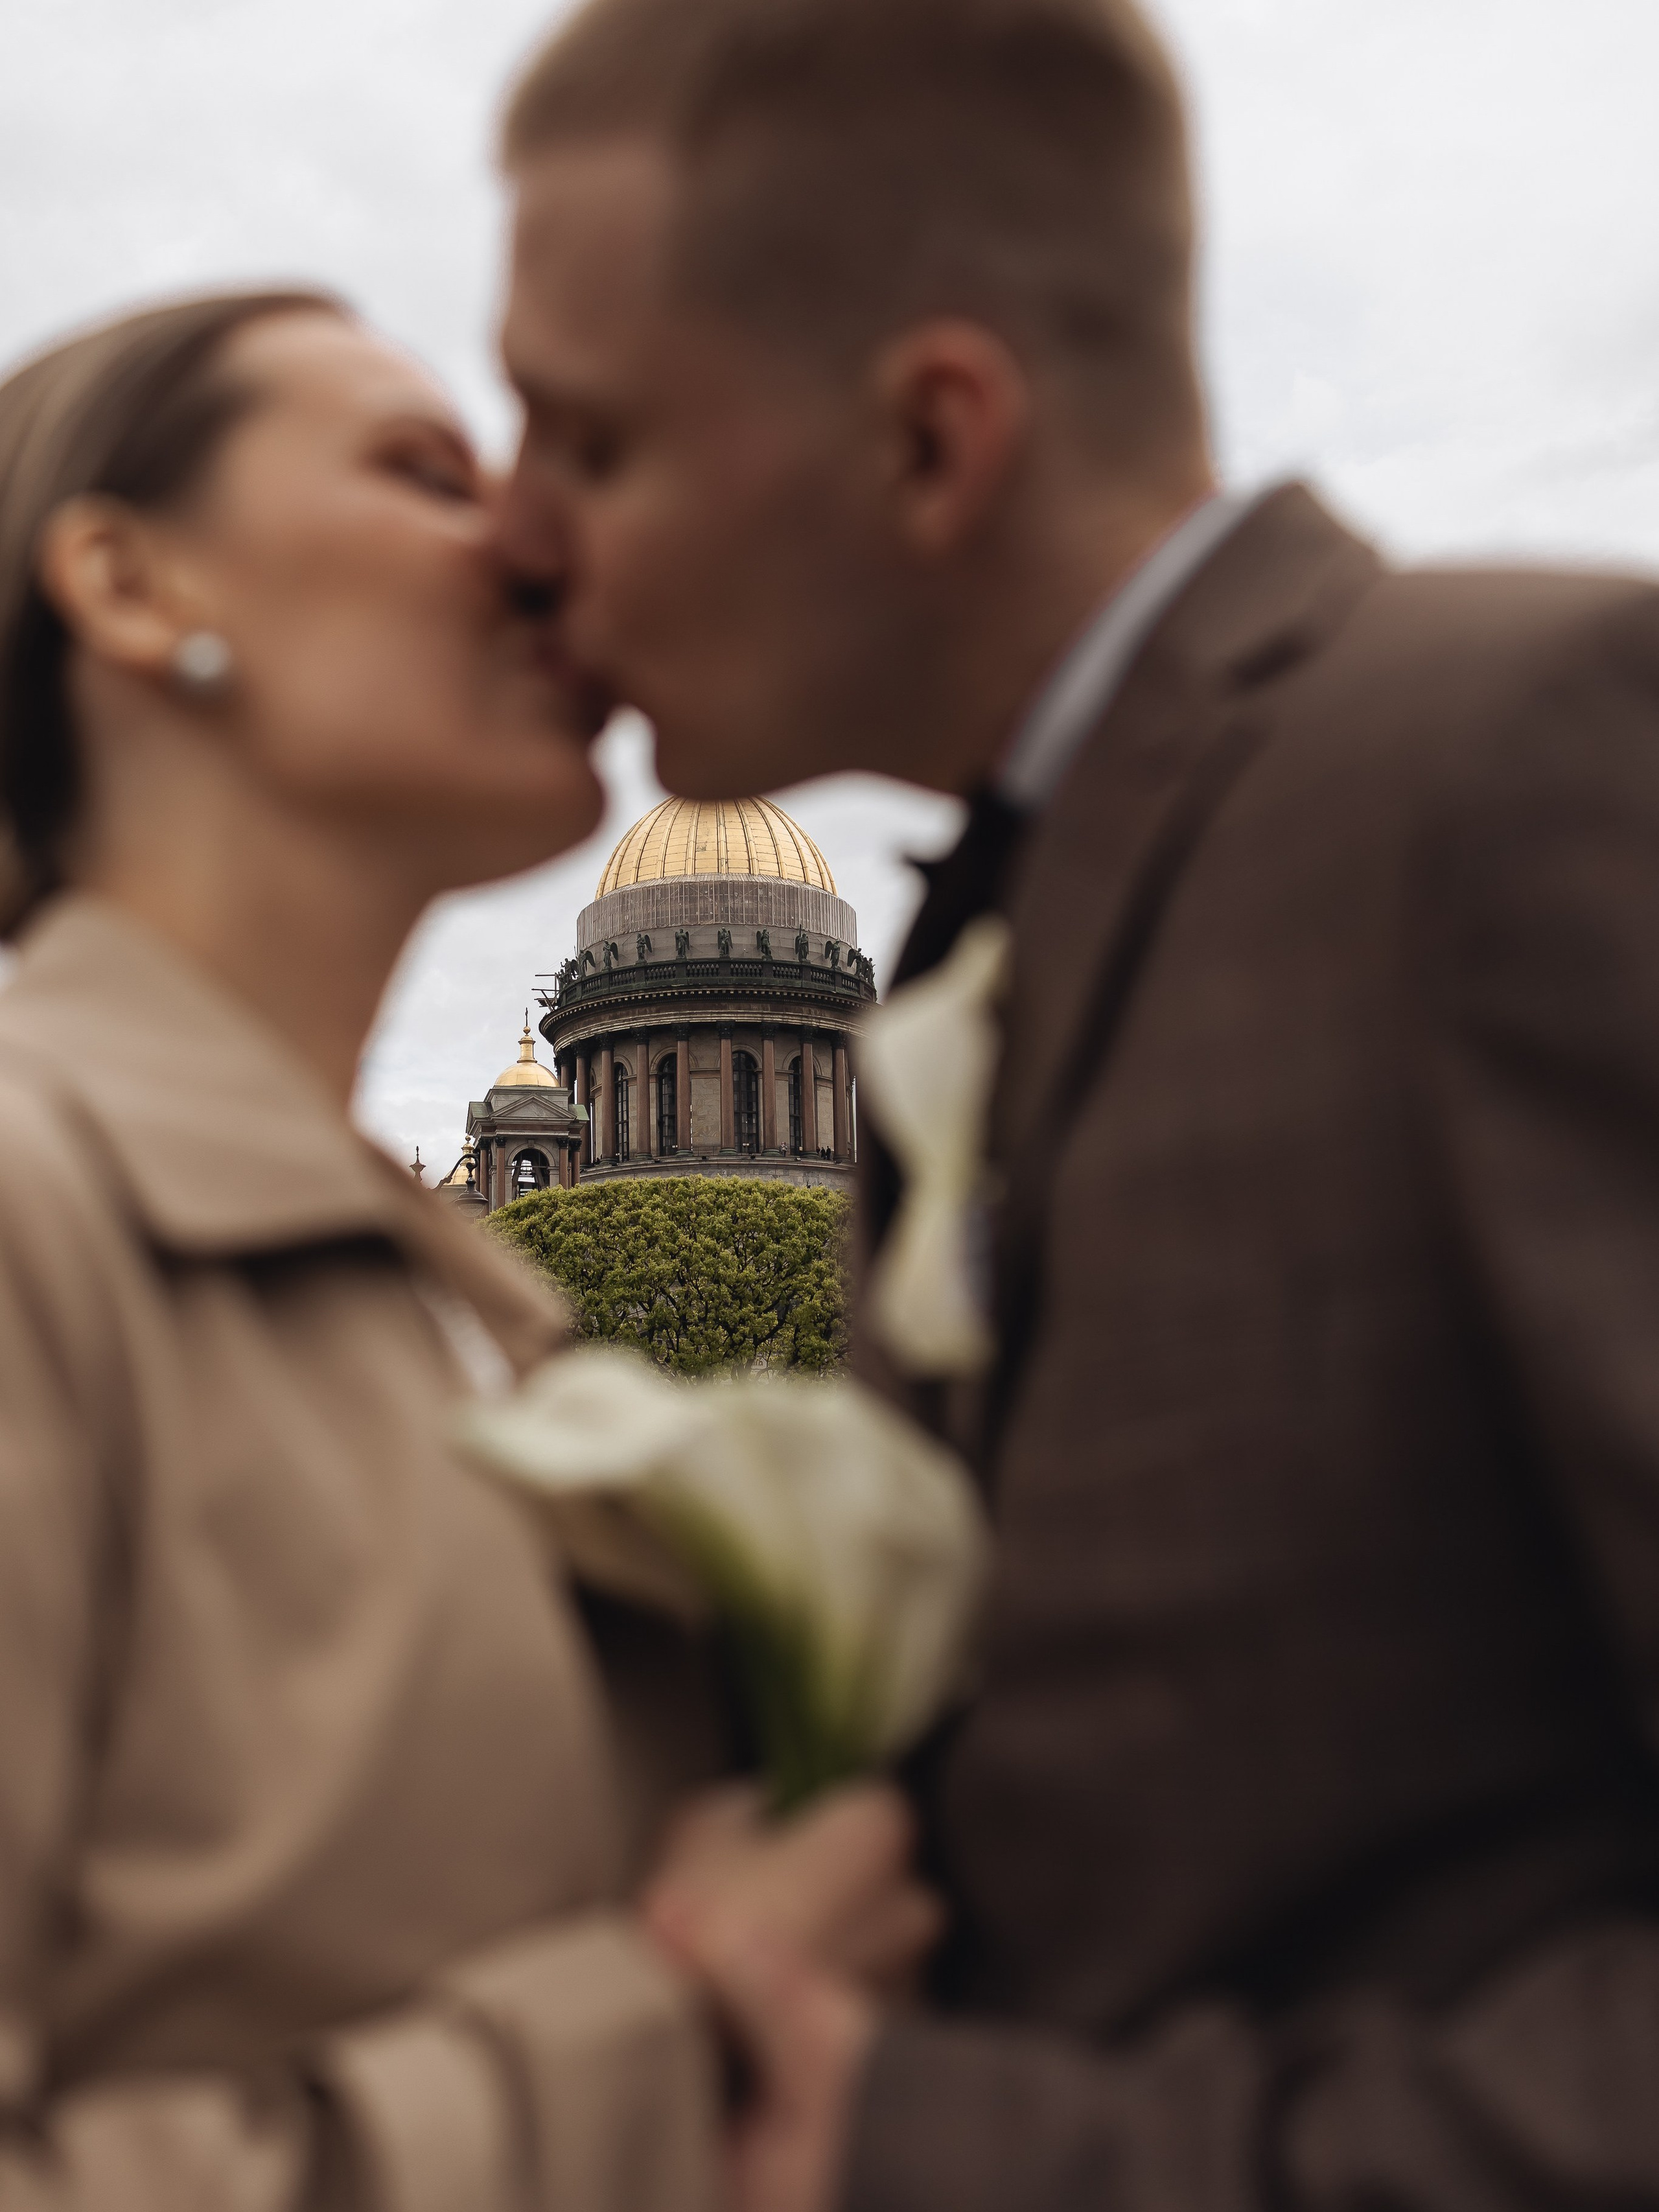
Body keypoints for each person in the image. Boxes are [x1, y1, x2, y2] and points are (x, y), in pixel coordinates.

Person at [491, 1, 1659, 2209]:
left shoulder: (1528, 759)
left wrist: (953, 2151)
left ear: (935, 440)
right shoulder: (1010, 943)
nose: (521, 541)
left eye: (594, 439)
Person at [0, 290, 934, 2211]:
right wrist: (671, 2033)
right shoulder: (39, 1214)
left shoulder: (485, 1330)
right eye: (428, 471)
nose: (537, 542)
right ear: (121, 577)